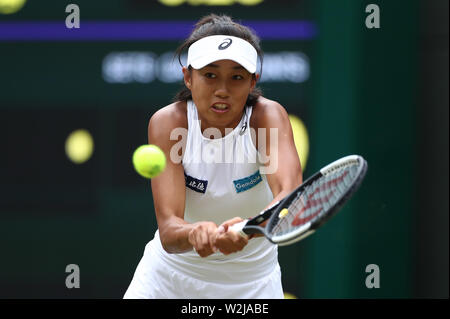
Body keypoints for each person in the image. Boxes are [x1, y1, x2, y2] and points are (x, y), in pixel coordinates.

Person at [124, 14, 302, 299]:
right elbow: (170, 231)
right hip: (169, 279)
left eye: (237, 77)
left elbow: (289, 196)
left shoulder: (267, 117)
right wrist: (194, 233)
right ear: (188, 77)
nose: (222, 89)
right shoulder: (169, 123)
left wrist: (248, 229)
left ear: (253, 81)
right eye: (210, 75)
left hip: (254, 283)